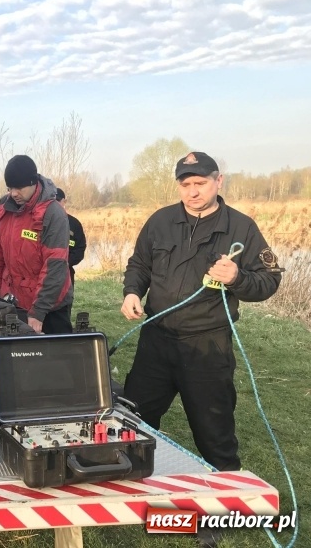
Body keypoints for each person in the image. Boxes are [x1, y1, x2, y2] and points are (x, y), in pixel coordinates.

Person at [121, 151, 282, 471]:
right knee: (133, 425)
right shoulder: (160, 221)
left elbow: (270, 280)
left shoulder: (242, 227)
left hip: (207, 347)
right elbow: (139, 264)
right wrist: (132, 292)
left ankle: (225, 493)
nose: (192, 192)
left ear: (218, 181)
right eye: (185, 185)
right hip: (156, 341)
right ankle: (130, 483)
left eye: (200, 183)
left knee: (215, 437)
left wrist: (237, 278)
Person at [0, 155, 73, 334]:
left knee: (54, 351)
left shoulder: (53, 213)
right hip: (12, 302)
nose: (14, 193)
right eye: (10, 188)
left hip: (49, 307)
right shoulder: (2, 208)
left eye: (19, 188)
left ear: (33, 182)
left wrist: (38, 311)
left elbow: (55, 264)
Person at [55, 188, 86, 286]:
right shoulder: (40, 222)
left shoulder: (74, 224)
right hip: (42, 273)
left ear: (64, 202)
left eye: (57, 201)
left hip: (66, 273)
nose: (54, 204)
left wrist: (65, 263)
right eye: (51, 201)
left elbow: (80, 249)